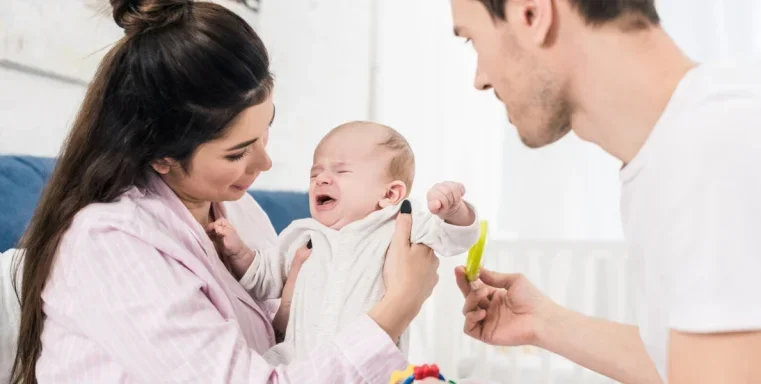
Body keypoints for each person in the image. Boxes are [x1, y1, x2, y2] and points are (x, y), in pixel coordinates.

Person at [9, 1, 439, 383]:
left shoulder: (238, 209)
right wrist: (400, 302)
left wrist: (290, 310)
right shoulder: (110, 244)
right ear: (162, 157)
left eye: (266, 131)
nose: (264, 164)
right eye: (237, 154)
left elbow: (261, 348)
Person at [450, 0, 761, 383]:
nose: (480, 79)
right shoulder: (682, 144)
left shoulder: (712, 151)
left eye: (473, 41)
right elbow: (690, 363)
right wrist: (544, 322)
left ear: (531, 14)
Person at [207, 121, 480, 364]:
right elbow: (264, 278)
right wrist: (238, 252)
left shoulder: (399, 226)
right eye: (315, 174)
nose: (321, 179)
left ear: (390, 193)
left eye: (341, 171)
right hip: (298, 364)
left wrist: (454, 211)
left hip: (373, 365)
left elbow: (453, 239)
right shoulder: (302, 234)